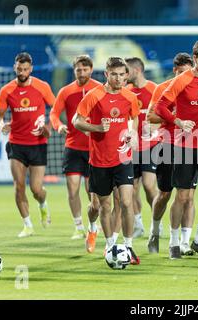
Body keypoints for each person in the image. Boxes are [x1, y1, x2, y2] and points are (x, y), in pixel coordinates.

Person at [155, 40, 198, 260]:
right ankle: (174, 242)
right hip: (183, 146)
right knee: (183, 197)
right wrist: (178, 122)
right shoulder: (181, 80)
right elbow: (160, 107)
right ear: (195, 58)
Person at [73, 57, 140, 265]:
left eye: (122, 75)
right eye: (114, 74)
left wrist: (133, 133)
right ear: (106, 75)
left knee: (127, 202)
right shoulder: (94, 96)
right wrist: (95, 128)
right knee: (101, 206)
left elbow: (134, 117)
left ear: (127, 76)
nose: (118, 78)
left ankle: (127, 248)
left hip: (123, 157)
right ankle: (105, 240)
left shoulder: (130, 97)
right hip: (99, 160)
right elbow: (76, 121)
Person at [0, 52, 56, 238]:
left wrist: (48, 127)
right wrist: (2, 125)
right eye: (19, 68)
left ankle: (42, 204)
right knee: (19, 186)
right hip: (16, 143)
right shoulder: (6, 90)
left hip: (38, 143)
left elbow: (55, 109)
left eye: (25, 69)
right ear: (15, 67)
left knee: (36, 189)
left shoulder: (42, 87)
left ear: (30, 69)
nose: (22, 72)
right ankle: (27, 224)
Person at [146, 52, 196, 255]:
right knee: (165, 193)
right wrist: (175, 117)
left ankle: (184, 242)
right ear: (175, 71)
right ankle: (154, 230)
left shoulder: (195, 88)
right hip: (166, 145)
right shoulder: (162, 88)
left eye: (189, 71)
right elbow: (150, 116)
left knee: (189, 196)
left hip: (192, 146)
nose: (186, 76)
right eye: (182, 72)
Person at [50, 55, 102, 241]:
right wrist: (59, 126)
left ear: (91, 69)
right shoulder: (66, 91)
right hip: (72, 146)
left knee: (91, 190)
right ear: (74, 71)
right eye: (78, 70)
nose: (81, 73)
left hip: (93, 147)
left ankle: (93, 224)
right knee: (72, 189)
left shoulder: (99, 89)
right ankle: (78, 226)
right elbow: (54, 113)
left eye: (85, 69)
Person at [115, 57, 157, 239]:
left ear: (137, 70)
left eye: (127, 71)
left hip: (150, 146)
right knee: (131, 189)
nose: (124, 75)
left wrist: (155, 127)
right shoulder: (125, 92)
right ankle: (138, 222)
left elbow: (166, 114)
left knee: (149, 186)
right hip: (130, 147)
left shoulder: (154, 90)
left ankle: (156, 222)